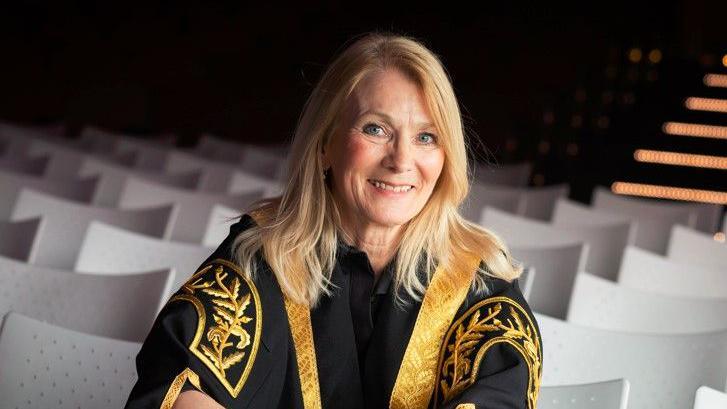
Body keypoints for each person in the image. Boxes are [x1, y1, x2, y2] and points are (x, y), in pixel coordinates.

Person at [125, 31, 542, 409]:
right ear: (325, 144)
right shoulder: (266, 250)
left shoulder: (477, 273)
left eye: (426, 137)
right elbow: (180, 379)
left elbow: (500, 394)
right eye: (376, 129)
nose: (401, 161)